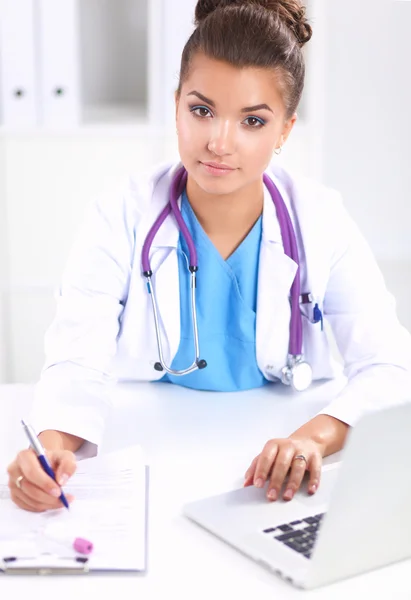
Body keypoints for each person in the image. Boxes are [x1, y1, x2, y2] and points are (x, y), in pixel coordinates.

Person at [7, 0, 411, 512]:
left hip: (269, 480)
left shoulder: (320, 220)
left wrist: (312, 437)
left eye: (253, 121)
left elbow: (391, 366)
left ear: (285, 130)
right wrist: (53, 451)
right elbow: (75, 360)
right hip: (154, 457)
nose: (220, 142)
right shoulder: (119, 216)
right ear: (176, 105)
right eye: (202, 110)